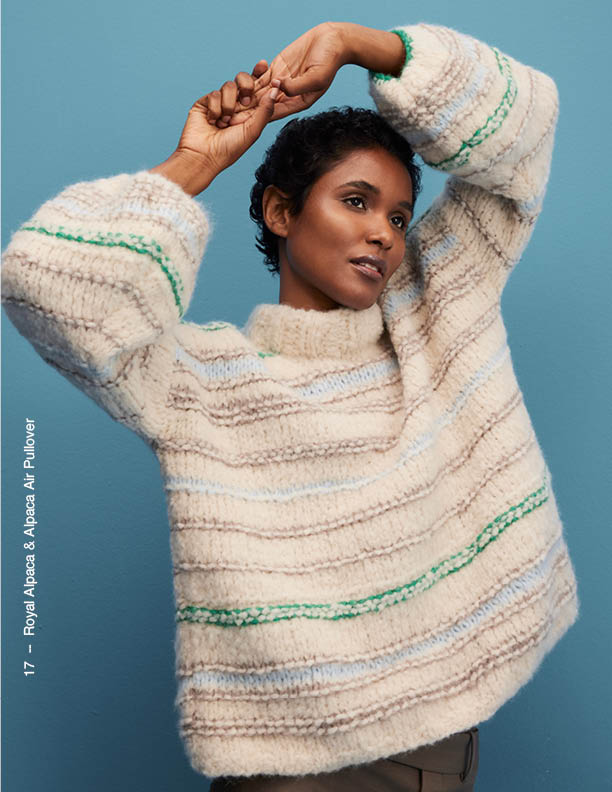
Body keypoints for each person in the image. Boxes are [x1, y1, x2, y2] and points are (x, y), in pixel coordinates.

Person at [1, 20, 579, 792]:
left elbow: (528, 126)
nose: (384, 233)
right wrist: (201, 159)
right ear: (281, 213)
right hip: (294, 775)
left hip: (442, 759)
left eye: (398, 215)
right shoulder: (198, 382)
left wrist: (354, 43)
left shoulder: (435, 311)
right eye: (356, 201)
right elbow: (44, 285)